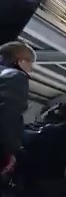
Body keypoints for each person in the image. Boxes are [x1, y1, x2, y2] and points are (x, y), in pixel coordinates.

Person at [0, 42, 34, 175]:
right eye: (30, 63)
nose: (31, 69)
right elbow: (7, 114)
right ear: (21, 61)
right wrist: (7, 152)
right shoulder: (15, 77)